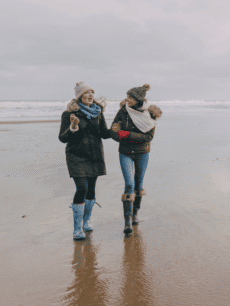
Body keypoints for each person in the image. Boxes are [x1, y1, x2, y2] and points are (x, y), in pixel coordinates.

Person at [58, 82, 111, 240]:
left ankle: (86, 220)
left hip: (94, 155)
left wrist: (116, 130)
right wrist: (73, 128)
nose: (91, 95)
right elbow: (62, 137)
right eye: (87, 93)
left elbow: (103, 132)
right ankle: (77, 228)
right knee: (82, 188)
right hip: (76, 155)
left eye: (92, 93)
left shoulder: (98, 112)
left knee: (91, 189)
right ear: (80, 96)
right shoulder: (69, 114)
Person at [110, 84, 162, 235]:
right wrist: (118, 135)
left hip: (142, 153)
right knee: (129, 184)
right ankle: (127, 222)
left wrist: (127, 135)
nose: (127, 99)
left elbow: (148, 137)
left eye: (130, 97)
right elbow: (113, 131)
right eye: (127, 96)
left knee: (138, 184)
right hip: (125, 152)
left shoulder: (150, 114)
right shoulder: (123, 111)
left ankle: (135, 214)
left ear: (138, 100)